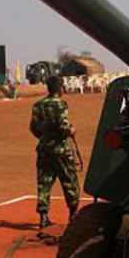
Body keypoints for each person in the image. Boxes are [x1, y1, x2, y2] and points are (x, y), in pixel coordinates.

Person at [30, 75, 80, 229]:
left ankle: (43, 218)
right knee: (69, 182)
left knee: (44, 183)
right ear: (59, 88)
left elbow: (34, 128)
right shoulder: (61, 105)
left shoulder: (38, 105)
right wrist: (71, 131)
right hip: (61, 150)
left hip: (44, 149)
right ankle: (73, 215)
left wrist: (46, 137)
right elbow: (64, 127)